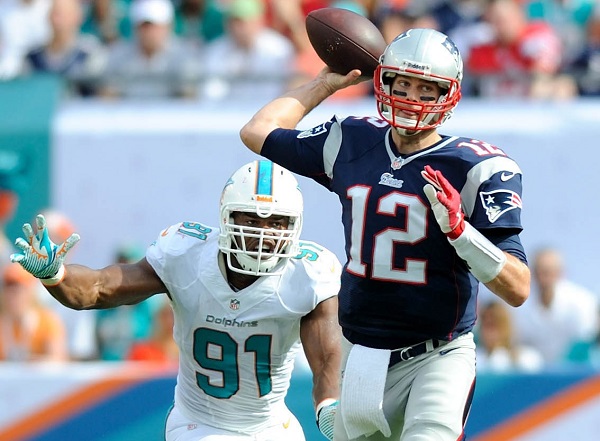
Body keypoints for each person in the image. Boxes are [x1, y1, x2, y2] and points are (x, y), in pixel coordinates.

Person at [240, 27, 530, 441]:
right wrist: (326, 82)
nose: (411, 98)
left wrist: (461, 232)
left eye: (426, 89)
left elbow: (518, 288)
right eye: (403, 83)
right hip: (362, 355)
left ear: (448, 96)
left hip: (438, 353)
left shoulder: (476, 167)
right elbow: (257, 131)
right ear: (384, 81)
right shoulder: (352, 139)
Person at [9, 160, 342, 441]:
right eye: (252, 220)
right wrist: (58, 274)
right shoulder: (186, 255)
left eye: (276, 224)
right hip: (201, 424)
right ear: (227, 219)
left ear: (294, 227)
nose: (262, 235)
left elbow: (326, 356)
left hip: (272, 426)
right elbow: (100, 287)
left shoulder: (308, 273)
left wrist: (328, 404)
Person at [511, 246, 598, 366]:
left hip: (577, 375)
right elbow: (517, 346)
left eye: (548, 272)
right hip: (537, 378)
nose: (543, 278)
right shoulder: (520, 306)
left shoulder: (582, 303)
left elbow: (585, 346)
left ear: (560, 273)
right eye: (538, 271)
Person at [0, 263, 68, 362]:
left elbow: (58, 360)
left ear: (30, 291)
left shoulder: (47, 322)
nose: (13, 296)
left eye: (19, 290)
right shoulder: (3, 324)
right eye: (9, 290)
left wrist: (35, 363)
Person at [475, 300, 543, 372]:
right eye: (486, 325)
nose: (489, 333)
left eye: (494, 325)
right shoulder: (473, 359)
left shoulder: (525, 359)